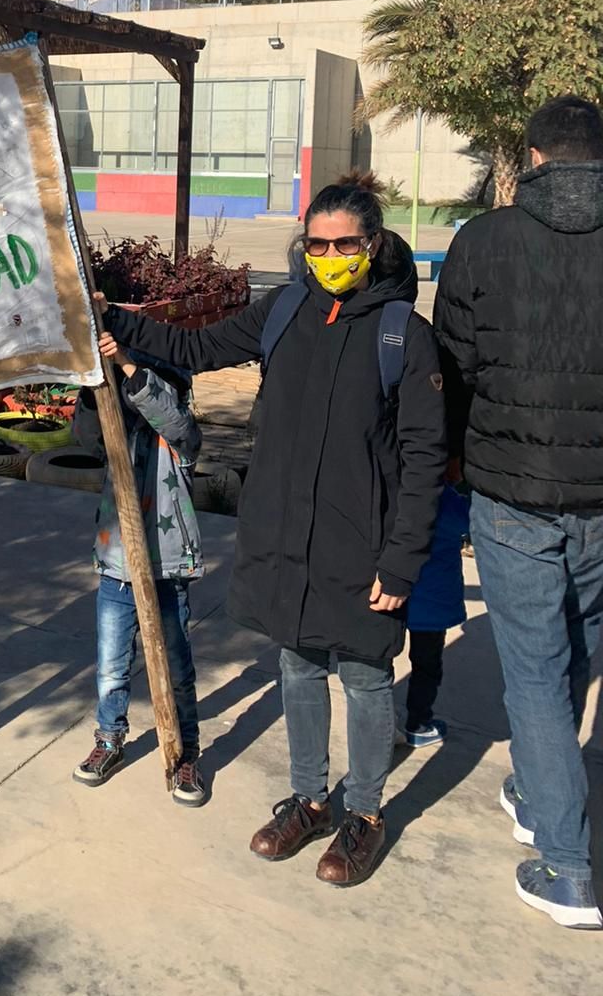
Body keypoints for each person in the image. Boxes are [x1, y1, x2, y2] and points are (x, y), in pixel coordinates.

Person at [98, 174, 446, 886]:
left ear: (373, 244)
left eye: (345, 243)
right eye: (317, 244)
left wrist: (402, 561)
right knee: (299, 665)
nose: (329, 255)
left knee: (366, 675)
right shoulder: (285, 309)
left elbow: (424, 458)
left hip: (363, 541)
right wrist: (119, 322)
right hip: (287, 533)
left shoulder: (402, 336)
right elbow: (194, 348)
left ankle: (367, 814)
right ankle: (311, 798)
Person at [434, 95, 603, 930]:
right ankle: (541, 787)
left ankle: (566, 863)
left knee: (535, 669)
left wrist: (455, 455)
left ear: (532, 157)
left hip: (508, 491)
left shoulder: (482, 241)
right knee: (578, 649)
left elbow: (452, 362)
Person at [70, 337, 206, 806]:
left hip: (166, 569)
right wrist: (93, 388)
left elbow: (167, 413)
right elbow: (85, 438)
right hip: (118, 568)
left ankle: (186, 750)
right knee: (111, 667)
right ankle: (109, 738)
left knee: (175, 668)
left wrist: (127, 363)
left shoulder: (181, 437)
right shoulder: (118, 433)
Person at [397, 477, 471, 748]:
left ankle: (379, 724)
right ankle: (418, 723)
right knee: (426, 666)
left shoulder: (393, 488)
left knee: (378, 666)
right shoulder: (446, 497)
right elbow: (467, 523)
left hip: (391, 594)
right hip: (432, 604)